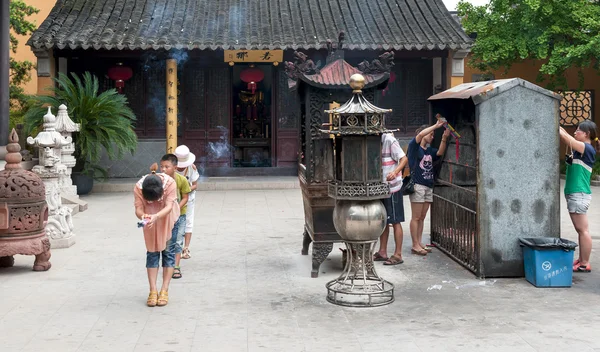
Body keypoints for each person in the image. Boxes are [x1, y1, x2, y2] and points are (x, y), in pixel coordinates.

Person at [134, 163, 180, 307]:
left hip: (169, 219)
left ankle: (164, 290)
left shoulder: (170, 183)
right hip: (149, 221)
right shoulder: (138, 187)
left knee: (168, 253)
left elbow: (168, 207)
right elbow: (138, 209)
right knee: (152, 253)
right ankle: (153, 290)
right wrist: (145, 217)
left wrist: (155, 217)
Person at [559, 121, 598, 272]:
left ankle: (585, 263)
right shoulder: (580, 148)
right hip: (575, 194)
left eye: (578, 131)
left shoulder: (586, 148)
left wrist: (556, 126)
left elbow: (566, 138)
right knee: (581, 230)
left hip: (579, 194)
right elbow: (567, 136)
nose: (575, 133)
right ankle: (582, 260)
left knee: (583, 230)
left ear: (586, 134)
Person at [407, 120, 450, 256]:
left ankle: (419, 242)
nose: (432, 137)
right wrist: (435, 126)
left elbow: (439, 153)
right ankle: (415, 244)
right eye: (430, 134)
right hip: (418, 185)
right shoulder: (414, 147)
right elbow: (419, 136)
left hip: (428, 185)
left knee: (422, 217)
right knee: (416, 216)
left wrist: (444, 138)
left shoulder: (429, 150)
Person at [373, 133, 408, 265]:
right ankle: (382, 252)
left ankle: (398, 254)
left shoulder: (389, 140)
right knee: (384, 220)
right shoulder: (372, 140)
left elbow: (404, 159)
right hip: (381, 188)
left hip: (393, 188)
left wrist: (395, 172)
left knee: (395, 220)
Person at [160, 154, 191, 279]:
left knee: (178, 240)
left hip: (180, 215)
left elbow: (185, 197)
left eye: (167, 167)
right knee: (167, 241)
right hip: (164, 215)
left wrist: (176, 207)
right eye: (161, 166)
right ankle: (168, 266)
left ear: (175, 167)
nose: (163, 169)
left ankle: (176, 266)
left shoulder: (181, 180)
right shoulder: (159, 180)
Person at [175, 145, 199, 260]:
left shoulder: (192, 168)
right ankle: (172, 247)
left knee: (188, 222)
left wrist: (186, 189)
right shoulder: (170, 167)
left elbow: (195, 185)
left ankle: (186, 247)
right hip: (173, 200)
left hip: (188, 199)